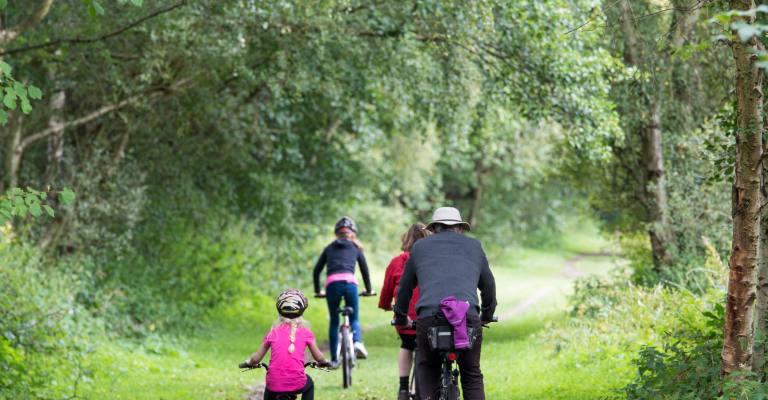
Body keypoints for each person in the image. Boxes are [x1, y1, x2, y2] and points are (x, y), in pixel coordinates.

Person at [394, 207, 497, 400]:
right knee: (471, 373)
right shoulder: (474, 246)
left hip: (429, 318)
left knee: (427, 368)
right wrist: (487, 314)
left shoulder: (420, 247)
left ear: (433, 228)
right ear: (459, 227)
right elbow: (488, 285)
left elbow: (404, 288)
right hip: (467, 317)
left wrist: (400, 317)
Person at [240, 289, 331, 400]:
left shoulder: (273, 332)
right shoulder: (306, 333)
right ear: (302, 311)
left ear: (279, 311)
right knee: (309, 383)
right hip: (298, 383)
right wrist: (324, 362)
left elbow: (256, 359)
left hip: (274, 383)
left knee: (269, 388)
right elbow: (319, 357)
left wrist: (248, 363)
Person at [378, 223, 431, 400]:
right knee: (427, 349)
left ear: (406, 240)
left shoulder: (396, 262)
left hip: (404, 317)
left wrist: (386, 305)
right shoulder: (431, 261)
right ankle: (421, 388)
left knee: (406, 345)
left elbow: (386, 290)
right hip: (427, 317)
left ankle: (402, 388)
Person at [313, 216, 374, 365]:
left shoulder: (329, 248)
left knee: (334, 321)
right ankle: (357, 342)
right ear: (352, 233)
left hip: (332, 285)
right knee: (354, 318)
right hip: (350, 283)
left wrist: (318, 290)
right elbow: (365, 270)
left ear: (336, 233)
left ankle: (334, 359)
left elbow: (316, 271)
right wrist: (369, 289)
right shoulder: (356, 248)